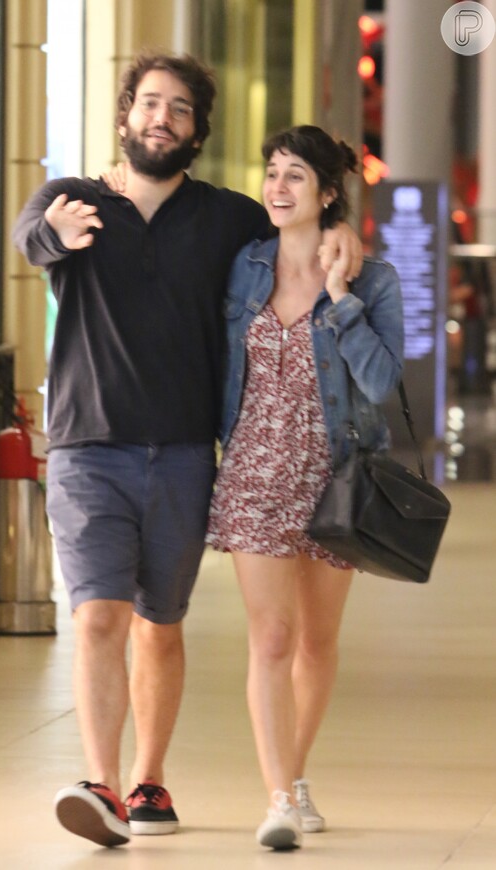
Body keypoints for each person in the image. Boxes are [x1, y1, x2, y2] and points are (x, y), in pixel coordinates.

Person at [13, 52, 363, 850]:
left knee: (159, 623)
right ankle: (101, 783)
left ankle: (149, 777)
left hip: (181, 450)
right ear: (125, 115)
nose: (160, 118)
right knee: (98, 612)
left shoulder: (226, 218)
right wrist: (50, 231)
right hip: (86, 446)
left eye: (178, 109)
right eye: (148, 104)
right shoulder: (72, 200)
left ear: (198, 129)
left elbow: (297, 225)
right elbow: (29, 238)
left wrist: (344, 234)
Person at [206, 125, 404, 851]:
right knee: (273, 637)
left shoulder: (372, 278)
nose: (278, 187)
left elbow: (382, 383)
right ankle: (279, 797)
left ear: (327, 194)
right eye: (272, 173)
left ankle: (298, 771)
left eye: (296, 176)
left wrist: (340, 296)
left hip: (336, 478)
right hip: (255, 469)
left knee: (317, 644)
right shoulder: (242, 268)